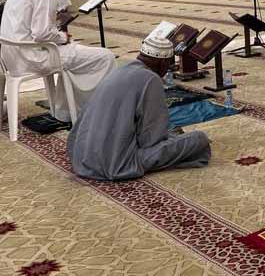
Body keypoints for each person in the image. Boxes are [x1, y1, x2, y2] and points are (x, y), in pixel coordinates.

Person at [67, 22, 212, 181]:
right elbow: (151, 140)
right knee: (199, 139)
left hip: (80, 156)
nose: (168, 70)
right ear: (162, 62)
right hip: (114, 164)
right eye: (169, 65)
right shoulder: (150, 79)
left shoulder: (121, 70)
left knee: (174, 132)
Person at [0, 0, 115, 122]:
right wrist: (63, 37)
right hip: (32, 57)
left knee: (76, 56)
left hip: (11, 57)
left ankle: (66, 111)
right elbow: (41, 33)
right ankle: (98, 113)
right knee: (106, 57)